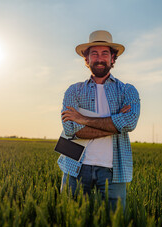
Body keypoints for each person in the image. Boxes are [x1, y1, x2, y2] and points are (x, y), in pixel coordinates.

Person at [58, 30, 140, 210]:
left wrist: (82, 118)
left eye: (105, 53)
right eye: (94, 53)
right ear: (86, 60)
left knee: (114, 226)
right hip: (75, 166)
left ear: (113, 59)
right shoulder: (74, 91)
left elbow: (130, 123)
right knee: (70, 222)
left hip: (113, 170)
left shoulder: (127, 91)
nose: (99, 58)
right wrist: (116, 123)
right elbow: (71, 129)